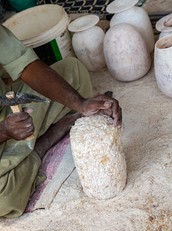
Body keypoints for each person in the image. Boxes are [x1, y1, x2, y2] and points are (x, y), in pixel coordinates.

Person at [0, 24, 122, 218]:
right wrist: (4, 131)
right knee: (4, 199)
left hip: (5, 105)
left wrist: (80, 103)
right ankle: (42, 144)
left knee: (72, 70)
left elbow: (26, 66)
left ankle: (22, 154)